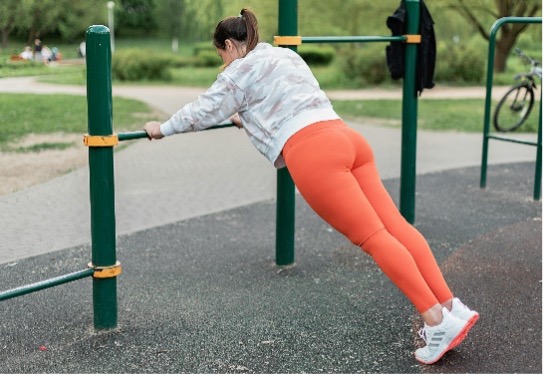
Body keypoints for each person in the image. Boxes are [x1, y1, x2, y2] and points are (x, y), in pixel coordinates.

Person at [143, 8, 479, 365]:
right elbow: (281, 99)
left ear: (228, 45)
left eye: (221, 55)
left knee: (375, 239)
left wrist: (161, 128)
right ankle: (451, 305)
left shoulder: (238, 72)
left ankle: (436, 321)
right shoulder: (283, 55)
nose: (223, 63)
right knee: (395, 226)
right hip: (347, 138)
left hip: (315, 154)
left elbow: (202, 111)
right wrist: (247, 117)